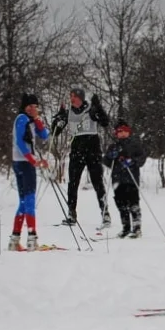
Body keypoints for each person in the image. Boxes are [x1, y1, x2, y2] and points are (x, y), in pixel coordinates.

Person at [50, 86, 112, 230]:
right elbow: (55, 132)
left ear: (81, 98)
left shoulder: (91, 110)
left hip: (92, 149)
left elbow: (105, 122)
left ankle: (105, 213)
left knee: (97, 182)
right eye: (71, 96)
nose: (72, 99)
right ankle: (71, 214)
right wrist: (58, 118)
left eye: (75, 96)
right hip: (77, 150)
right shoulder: (68, 113)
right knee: (73, 183)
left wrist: (99, 108)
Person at [10, 93, 48, 251]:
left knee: (24, 202)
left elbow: (44, 135)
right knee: (29, 200)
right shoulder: (22, 119)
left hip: (22, 162)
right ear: (25, 107)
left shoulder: (31, 120)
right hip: (23, 163)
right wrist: (32, 160)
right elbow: (20, 141)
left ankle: (14, 239)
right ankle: (32, 238)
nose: (33, 109)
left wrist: (38, 120)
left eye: (35, 106)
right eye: (30, 106)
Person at [104, 119, 147, 238]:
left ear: (129, 132)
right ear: (116, 133)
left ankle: (137, 228)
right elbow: (106, 161)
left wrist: (132, 161)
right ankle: (126, 227)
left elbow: (142, 157)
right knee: (121, 203)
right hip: (117, 179)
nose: (122, 133)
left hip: (131, 179)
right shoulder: (113, 146)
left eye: (125, 131)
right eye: (119, 131)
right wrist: (110, 156)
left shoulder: (134, 144)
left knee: (133, 203)